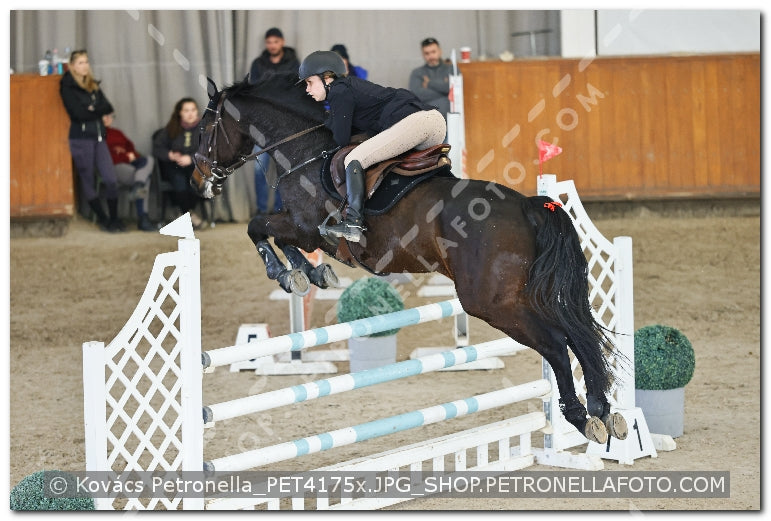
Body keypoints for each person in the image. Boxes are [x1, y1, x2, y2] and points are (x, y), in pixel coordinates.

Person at [299, 50, 446, 243]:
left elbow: (341, 139)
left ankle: (353, 222)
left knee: (354, 158)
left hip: (419, 123)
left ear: (326, 78)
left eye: (309, 82)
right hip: (432, 122)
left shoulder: (339, 90)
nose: (307, 89)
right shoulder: (347, 88)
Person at [59, 49, 125, 232]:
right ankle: (103, 220)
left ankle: (114, 218)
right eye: (80, 63)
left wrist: (92, 109)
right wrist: (98, 111)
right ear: (72, 66)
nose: (85, 66)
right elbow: (78, 114)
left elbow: (108, 107)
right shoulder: (67, 86)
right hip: (81, 139)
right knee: (87, 180)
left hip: (99, 137)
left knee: (110, 179)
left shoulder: (93, 85)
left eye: (86, 62)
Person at [248, 27, 300, 214]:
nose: (272, 45)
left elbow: (295, 91)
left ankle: (280, 210)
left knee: (283, 169)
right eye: (269, 42)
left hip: (285, 124)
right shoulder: (258, 64)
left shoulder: (293, 63)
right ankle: (262, 211)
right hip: (262, 123)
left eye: (275, 42)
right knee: (259, 169)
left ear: (282, 42)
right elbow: (254, 91)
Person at [152, 97, 207, 229]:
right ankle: (189, 215)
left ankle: (185, 214)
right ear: (180, 113)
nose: (190, 114)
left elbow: (209, 150)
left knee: (195, 181)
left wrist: (191, 158)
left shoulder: (204, 129)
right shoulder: (171, 128)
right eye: (186, 110)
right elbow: (157, 148)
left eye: (193, 110)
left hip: (196, 165)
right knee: (179, 181)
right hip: (175, 166)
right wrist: (170, 155)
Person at [102, 113, 156, 231]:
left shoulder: (117, 132)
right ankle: (143, 218)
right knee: (144, 178)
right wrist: (126, 156)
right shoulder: (98, 135)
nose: (108, 118)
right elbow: (106, 157)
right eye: (104, 115)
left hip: (129, 163)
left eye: (110, 116)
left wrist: (132, 155)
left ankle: (138, 185)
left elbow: (130, 148)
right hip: (113, 167)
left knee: (149, 160)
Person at [408, 37, 452, 121]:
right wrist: (446, 92)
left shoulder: (451, 69)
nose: (431, 56)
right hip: (427, 122)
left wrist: (429, 83)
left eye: (433, 52)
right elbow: (417, 95)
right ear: (423, 55)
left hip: (452, 120)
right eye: (427, 53)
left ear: (440, 51)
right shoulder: (417, 73)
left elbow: (455, 91)